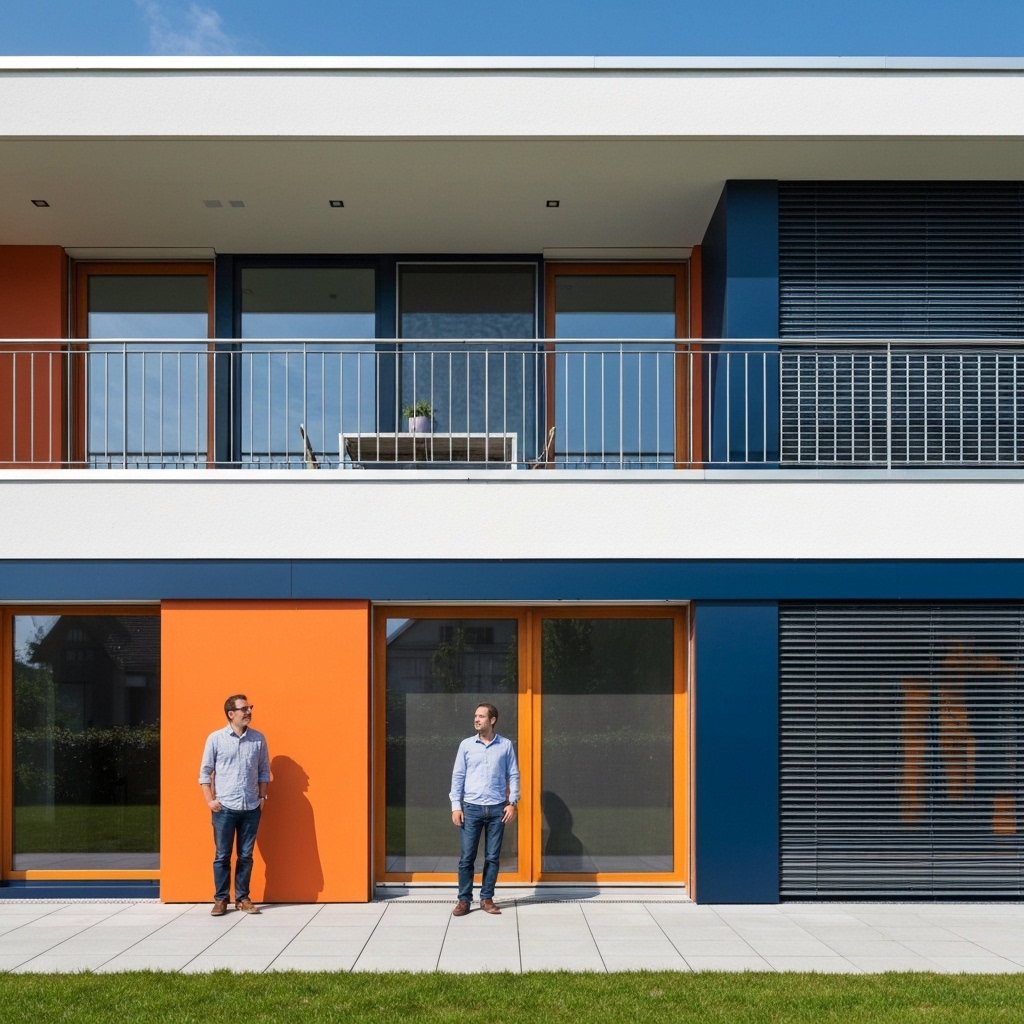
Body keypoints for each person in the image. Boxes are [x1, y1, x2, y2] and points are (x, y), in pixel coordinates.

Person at [199, 694, 270, 916]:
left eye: (250, 707)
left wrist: (262, 799)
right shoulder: (216, 739)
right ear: (231, 714)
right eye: (243, 708)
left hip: (250, 807)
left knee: (246, 856)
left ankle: (243, 899)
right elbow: (204, 772)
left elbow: (264, 772)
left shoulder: (258, 739)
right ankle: (221, 900)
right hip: (225, 809)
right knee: (222, 856)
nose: (248, 711)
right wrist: (210, 800)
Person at [449, 702, 520, 917]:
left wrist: (512, 803)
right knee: (467, 858)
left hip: (497, 809)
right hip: (471, 808)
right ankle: (464, 900)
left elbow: (514, 775)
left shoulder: (505, 745)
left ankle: (487, 898)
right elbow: (458, 776)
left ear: (492, 720)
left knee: (492, 857)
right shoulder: (466, 745)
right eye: (475, 716)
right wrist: (456, 806)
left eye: (481, 716)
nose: (476, 719)